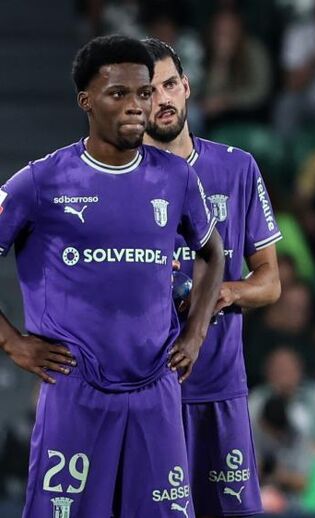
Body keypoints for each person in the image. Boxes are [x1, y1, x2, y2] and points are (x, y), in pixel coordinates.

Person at [0, 35, 224, 517]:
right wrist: (12, 342)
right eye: (118, 93)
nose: (136, 106)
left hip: (156, 386)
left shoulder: (176, 177)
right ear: (86, 101)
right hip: (74, 387)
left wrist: (195, 334)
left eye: (143, 93)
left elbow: (213, 253)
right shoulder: (41, 181)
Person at [142, 38, 283, 518]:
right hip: (143, 389)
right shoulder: (117, 177)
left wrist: (219, 292)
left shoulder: (237, 167)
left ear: (186, 87)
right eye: (148, 92)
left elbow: (270, 281)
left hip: (219, 386)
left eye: (169, 85)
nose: (162, 99)